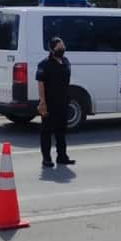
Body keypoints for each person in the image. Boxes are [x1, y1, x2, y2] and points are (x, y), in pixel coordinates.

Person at [37, 37, 75, 168]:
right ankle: (46, 158)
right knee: (46, 131)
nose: (62, 49)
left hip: (63, 101)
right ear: (52, 49)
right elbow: (41, 83)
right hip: (49, 102)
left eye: (63, 46)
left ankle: (62, 156)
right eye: (59, 47)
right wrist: (42, 102)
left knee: (61, 130)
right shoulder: (44, 64)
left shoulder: (66, 62)